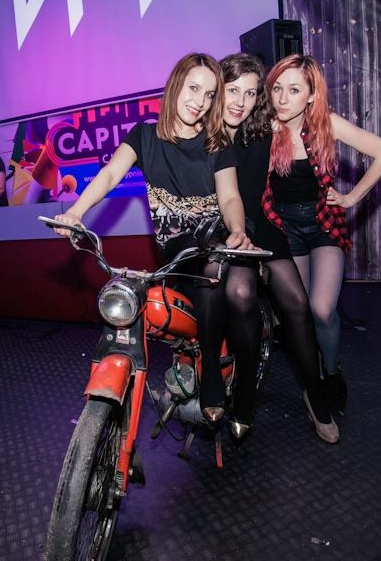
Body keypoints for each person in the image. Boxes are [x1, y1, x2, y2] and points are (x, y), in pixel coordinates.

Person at [54, 53, 253, 423]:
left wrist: (238, 229)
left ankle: (215, 373)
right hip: (178, 245)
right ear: (175, 85)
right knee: (191, 277)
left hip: (217, 236)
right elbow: (110, 175)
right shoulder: (144, 136)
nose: (200, 101)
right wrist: (76, 212)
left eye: (210, 95)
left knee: (220, 274)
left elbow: (229, 198)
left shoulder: (216, 143)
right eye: (194, 88)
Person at [261, 54, 381, 422]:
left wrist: (351, 198)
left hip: (323, 225)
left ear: (311, 94)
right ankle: (314, 377)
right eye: (277, 89)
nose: (282, 98)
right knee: (301, 313)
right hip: (284, 229)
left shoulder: (327, 124)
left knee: (322, 309)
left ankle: (332, 370)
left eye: (293, 90)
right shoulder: (265, 130)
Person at [220, 52, 339, 443]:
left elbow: (303, 121)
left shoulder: (263, 127)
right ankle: (243, 396)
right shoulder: (206, 133)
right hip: (224, 230)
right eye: (233, 91)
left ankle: (316, 394)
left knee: (298, 303)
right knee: (240, 295)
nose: (240, 101)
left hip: (263, 225)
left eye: (251, 93)